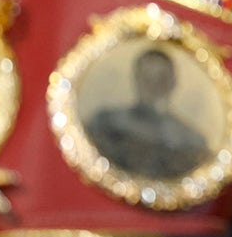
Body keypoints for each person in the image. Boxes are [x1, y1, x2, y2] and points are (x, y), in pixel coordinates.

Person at [84, 48, 212, 179]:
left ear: (173, 82)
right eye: (147, 77)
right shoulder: (105, 123)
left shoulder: (191, 141)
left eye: (161, 78)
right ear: (136, 79)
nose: (153, 85)